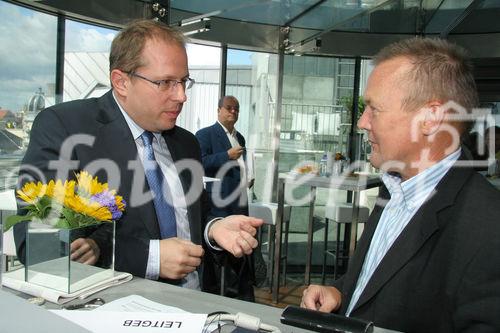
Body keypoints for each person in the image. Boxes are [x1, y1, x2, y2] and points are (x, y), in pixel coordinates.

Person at [14, 19, 263, 293]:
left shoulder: (185, 143)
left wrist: (214, 229)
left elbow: (195, 215)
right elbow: (42, 247)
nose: (181, 96)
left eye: (183, 82)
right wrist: (149, 259)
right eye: (166, 82)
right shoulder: (65, 129)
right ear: (121, 82)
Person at [301, 37, 500, 332]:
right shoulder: (393, 187)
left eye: (374, 109)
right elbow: (381, 277)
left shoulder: (489, 228)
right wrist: (341, 292)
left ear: (431, 118)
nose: (362, 122)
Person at [195, 96, 258, 300]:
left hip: (239, 198)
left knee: (240, 250)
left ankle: (239, 293)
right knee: (219, 253)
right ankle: (216, 295)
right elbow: (200, 162)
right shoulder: (205, 134)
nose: (233, 112)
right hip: (218, 202)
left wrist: (248, 176)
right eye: (229, 108)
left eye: (237, 109)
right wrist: (226, 155)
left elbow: (241, 166)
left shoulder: (240, 136)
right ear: (219, 110)